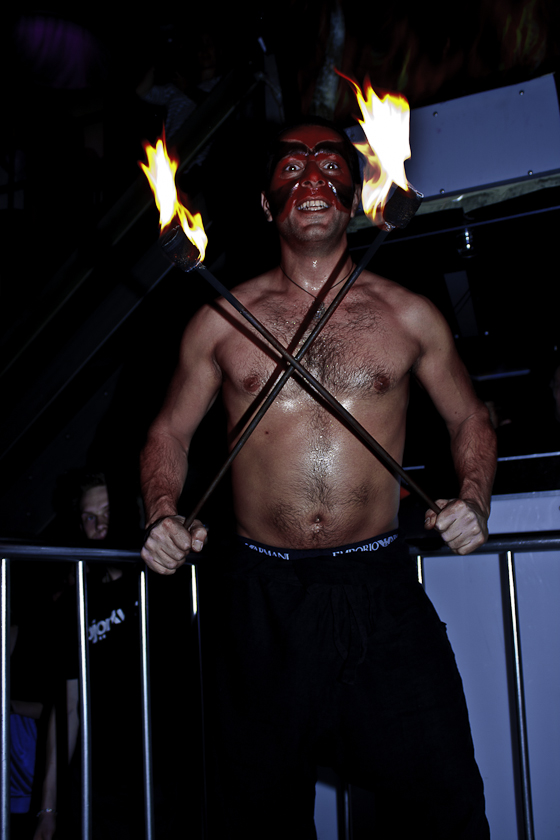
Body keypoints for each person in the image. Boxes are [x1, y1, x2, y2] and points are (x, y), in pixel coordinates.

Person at [140, 118, 497, 838]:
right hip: (260, 602)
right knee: (255, 820)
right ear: (265, 203)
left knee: (442, 807)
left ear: (356, 196)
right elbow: (167, 433)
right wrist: (161, 511)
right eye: (292, 168)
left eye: (331, 166)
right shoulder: (221, 320)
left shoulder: (410, 316)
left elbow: (470, 418)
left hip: (379, 591)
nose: (312, 181)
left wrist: (474, 500)